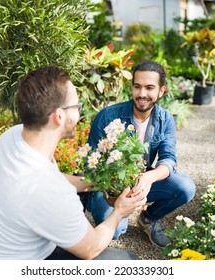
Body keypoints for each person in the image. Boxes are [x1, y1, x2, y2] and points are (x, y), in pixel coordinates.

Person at [0, 66, 146, 260]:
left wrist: (91, 183)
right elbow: (91, 248)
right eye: (77, 107)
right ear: (59, 116)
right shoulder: (51, 191)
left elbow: (54, 177)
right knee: (128, 262)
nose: (80, 113)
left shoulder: (12, 138)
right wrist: (119, 211)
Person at [86, 60, 196, 248]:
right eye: (137, 87)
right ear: (132, 87)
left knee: (185, 187)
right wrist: (112, 188)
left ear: (161, 91)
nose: (142, 94)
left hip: (141, 181)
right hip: (109, 187)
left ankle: (147, 219)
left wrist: (148, 178)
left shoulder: (165, 119)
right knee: (115, 232)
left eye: (149, 88)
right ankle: (120, 213)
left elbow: (168, 160)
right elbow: (90, 163)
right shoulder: (107, 116)